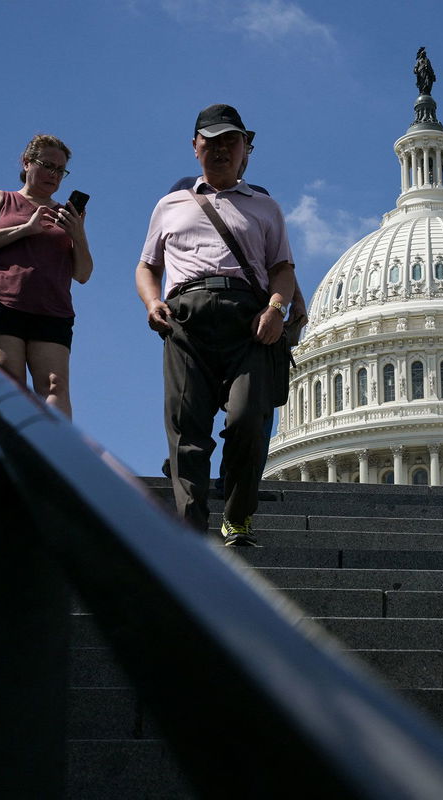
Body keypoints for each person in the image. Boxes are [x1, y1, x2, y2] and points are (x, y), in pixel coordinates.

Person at [136, 104, 295, 546]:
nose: (222, 149)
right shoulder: (169, 205)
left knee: (247, 419)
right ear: (195, 147)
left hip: (250, 321)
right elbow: (147, 266)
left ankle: (238, 515)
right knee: (187, 430)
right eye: (212, 141)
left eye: (231, 140)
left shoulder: (265, 207)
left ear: (245, 147)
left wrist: (276, 308)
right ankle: (190, 529)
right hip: (186, 319)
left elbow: (282, 268)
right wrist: (152, 302)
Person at [0, 134, 93, 418]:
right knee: (12, 385)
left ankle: (56, 457)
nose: (53, 175)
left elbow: (83, 274)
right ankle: (13, 459)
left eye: (60, 170)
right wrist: (25, 229)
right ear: (27, 162)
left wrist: (78, 234)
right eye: (47, 165)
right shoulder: (1, 198)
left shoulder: (66, 215)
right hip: (3, 303)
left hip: (53, 309)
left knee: (54, 386)